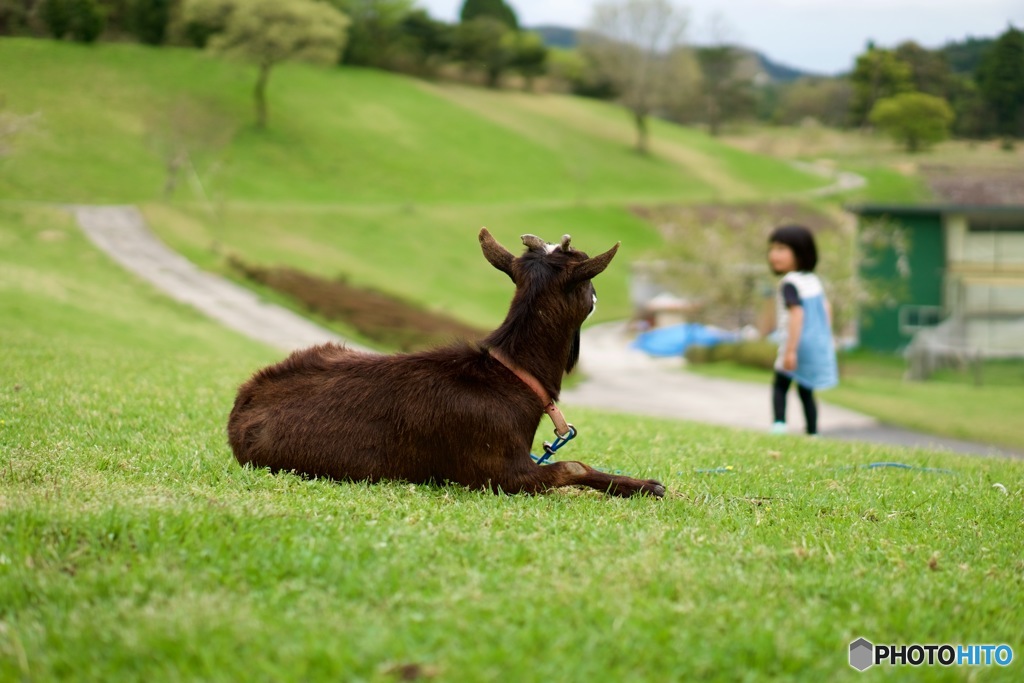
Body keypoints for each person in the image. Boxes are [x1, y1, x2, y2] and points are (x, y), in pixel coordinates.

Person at [767, 225, 838, 435]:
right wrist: (826, 338)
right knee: (806, 388)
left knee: (780, 384)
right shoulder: (813, 281)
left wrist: (790, 350)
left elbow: (796, 314)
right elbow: (827, 308)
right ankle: (813, 432)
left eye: (781, 249)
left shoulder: (789, 283)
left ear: (800, 252)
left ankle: (779, 426)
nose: (773, 255)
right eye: (772, 249)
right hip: (815, 342)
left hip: (797, 342)